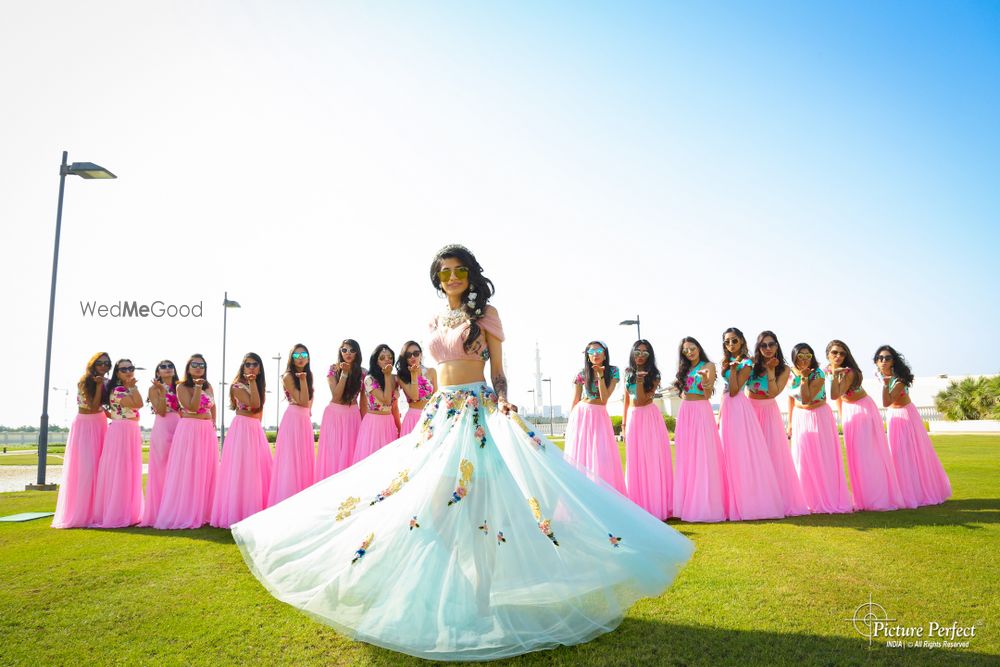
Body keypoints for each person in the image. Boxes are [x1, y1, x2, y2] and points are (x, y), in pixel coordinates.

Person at [231, 244, 693, 661]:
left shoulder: (486, 313)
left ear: (470, 275)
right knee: (424, 504)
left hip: (476, 412)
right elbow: (436, 370)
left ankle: (482, 601)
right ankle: (435, 589)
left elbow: (499, 369)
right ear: (438, 280)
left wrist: (504, 396)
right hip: (439, 415)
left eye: (458, 271)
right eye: (445, 272)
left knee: (479, 507)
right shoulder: (434, 321)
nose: (452, 277)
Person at [826, 340, 904, 511]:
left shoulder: (849, 372)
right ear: (828, 354)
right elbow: (839, 400)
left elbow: (834, 394)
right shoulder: (827, 370)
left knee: (868, 456)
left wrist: (834, 376)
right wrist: (842, 416)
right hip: (849, 412)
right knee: (855, 457)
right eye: (834, 353)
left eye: (842, 353)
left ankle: (878, 498)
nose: (838, 356)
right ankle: (862, 499)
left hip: (863, 410)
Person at [717, 328, 784, 521]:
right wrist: (720, 415)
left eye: (734, 341)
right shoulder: (726, 361)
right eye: (727, 341)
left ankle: (748, 500)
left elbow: (735, 389)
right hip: (727, 406)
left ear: (741, 341)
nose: (731, 344)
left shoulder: (747, 361)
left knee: (740, 453)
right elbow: (725, 391)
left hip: (738, 406)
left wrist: (732, 368)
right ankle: (728, 500)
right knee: (727, 452)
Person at [875, 345, 951, 507]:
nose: (883, 361)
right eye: (880, 358)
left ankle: (916, 493)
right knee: (896, 455)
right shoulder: (882, 376)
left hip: (906, 416)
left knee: (909, 455)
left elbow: (886, 401)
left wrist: (884, 384)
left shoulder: (900, 379)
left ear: (893, 361)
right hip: (894, 417)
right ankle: (901, 492)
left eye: (887, 358)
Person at [746, 332, 809, 516]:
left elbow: (773, 392)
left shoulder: (784, 369)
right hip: (750, 409)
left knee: (772, 454)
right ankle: (753, 500)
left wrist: (771, 370)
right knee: (752, 456)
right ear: (758, 348)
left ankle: (775, 500)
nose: (767, 348)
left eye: (771, 344)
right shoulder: (750, 364)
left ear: (777, 345)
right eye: (763, 345)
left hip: (769, 410)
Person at [154, 354, 218, 529]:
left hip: (206, 430)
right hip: (190, 428)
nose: (199, 368)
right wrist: (197, 388)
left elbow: (213, 406)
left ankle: (205, 511)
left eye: (202, 365)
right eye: (195, 365)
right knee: (190, 469)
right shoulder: (181, 386)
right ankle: (187, 511)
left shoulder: (209, 385)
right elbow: (191, 406)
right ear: (188, 368)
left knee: (207, 469)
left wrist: (213, 423)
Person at [787, 344, 852, 514]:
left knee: (823, 456)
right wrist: (790, 422)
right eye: (800, 356)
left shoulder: (818, 373)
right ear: (794, 357)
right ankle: (806, 499)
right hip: (800, 417)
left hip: (819, 415)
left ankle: (827, 497)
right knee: (803, 457)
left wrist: (804, 379)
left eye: (807, 356)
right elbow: (791, 399)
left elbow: (807, 398)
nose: (804, 359)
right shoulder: (790, 373)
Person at [211, 353, 273, 528]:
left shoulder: (259, 386)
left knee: (257, 469)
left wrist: (259, 431)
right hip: (241, 429)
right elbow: (254, 405)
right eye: (248, 364)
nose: (251, 367)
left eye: (255, 364)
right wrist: (252, 383)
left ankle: (257, 510)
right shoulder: (237, 386)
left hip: (255, 429)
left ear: (260, 368)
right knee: (241, 469)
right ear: (243, 367)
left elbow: (258, 412)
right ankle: (238, 512)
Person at [671, 337, 728, 522]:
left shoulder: (708, 366)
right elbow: (680, 390)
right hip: (685, 411)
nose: (689, 352)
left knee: (703, 455)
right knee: (686, 457)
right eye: (686, 350)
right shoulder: (684, 369)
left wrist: (704, 380)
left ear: (698, 348)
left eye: (692, 348)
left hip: (701, 410)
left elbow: (706, 393)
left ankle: (704, 503)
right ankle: (687, 502)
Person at [52, 352, 111, 528]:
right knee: (86, 468)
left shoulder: (107, 382)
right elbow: (93, 406)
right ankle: (81, 513)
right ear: (93, 364)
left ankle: (97, 511)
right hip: (85, 425)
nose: (103, 365)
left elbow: (105, 407)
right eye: (99, 362)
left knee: (100, 467)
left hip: (100, 423)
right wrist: (99, 385)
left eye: (106, 363)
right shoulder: (85, 381)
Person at [564, 341, 626, 493]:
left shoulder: (613, 371)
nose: (595, 354)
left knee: (601, 456)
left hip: (599, 415)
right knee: (581, 457)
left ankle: (603, 494)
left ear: (605, 353)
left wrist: (600, 376)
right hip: (581, 414)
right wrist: (570, 425)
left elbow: (604, 399)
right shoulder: (581, 374)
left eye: (598, 350)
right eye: (591, 352)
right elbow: (575, 399)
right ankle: (583, 496)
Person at [621, 339, 672, 520]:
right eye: (637, 352)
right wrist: (624, 424)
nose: (640, 356)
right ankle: (637, 505)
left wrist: (641, 381)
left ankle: (655, 505)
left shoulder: (654, 374)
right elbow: (627, 400)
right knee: (635, 459)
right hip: (633, 418)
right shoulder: (627, 373)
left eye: (645, 352)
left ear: (650, 355)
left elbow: (642, 400)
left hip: (649, 417)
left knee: (651, 459)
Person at [91, 358, 144, 527]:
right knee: (121, 470)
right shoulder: (119, 389)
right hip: (122, 431)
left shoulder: (125, 388)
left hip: (130, 429)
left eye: (131, 368)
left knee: (129, 470)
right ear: (117, 372)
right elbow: (139, 404)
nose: (128, 371)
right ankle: (117, 513)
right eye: (124, 369)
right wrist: (133, 387)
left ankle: (127, 511)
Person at [268, 344, 316, 505]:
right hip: (293, 419)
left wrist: (305, 379)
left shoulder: (309, 375)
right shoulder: (288, 376)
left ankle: (303, 502)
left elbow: (309, 403)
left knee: (304, 460)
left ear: (308, 357)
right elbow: (302, 401)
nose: (300, 357)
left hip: (304, 421)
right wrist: (302, 380)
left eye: (303, 354)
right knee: (291, 461)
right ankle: (286, 502)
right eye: (296, 355)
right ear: (291, 358)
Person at [315, 339, 366, 479]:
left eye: (352, 350)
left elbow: (363, 401)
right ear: (340, 352)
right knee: (333, 454)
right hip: (334, 414)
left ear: (357, 352)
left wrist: (364, 421)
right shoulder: (333, 369)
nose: (348, 353)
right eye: (344, 350)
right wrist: (344, 373)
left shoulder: (363, 372)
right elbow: (337, 396)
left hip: (353, 416)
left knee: (351, 453)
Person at [140, 359, 181, 526]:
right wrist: (162, 392)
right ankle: (160, 510)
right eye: (163, 367)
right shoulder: (153, 389)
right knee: (161, 468)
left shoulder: (180, 386)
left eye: (170, 366)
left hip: (181, 425)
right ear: (158, 372)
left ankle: (177, 507)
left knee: (178, 467)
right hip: (163, 427)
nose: (167, 369)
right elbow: (162, 411)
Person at [352, 344, 400, 462]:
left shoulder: (396, 379)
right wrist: (387, 375)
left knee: (389, 461)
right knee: (372, 460)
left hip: (389, 423)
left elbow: (394, 407)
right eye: (382, 358)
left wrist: (399, 427)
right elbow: (386, 400)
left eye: (389, 357)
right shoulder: (370, 379)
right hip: (374, 423)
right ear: (376, 361)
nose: (387, 360)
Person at [397, 341, 437, 436]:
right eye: (408, 355)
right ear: (405, 358)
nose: (412, 357)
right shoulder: (401, 376)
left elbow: (436, 397)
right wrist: (413, 374)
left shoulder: (431, 371)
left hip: (430, 416)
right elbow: (414, 397)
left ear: (421, 354)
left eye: (416, 353)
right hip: (412, 419)